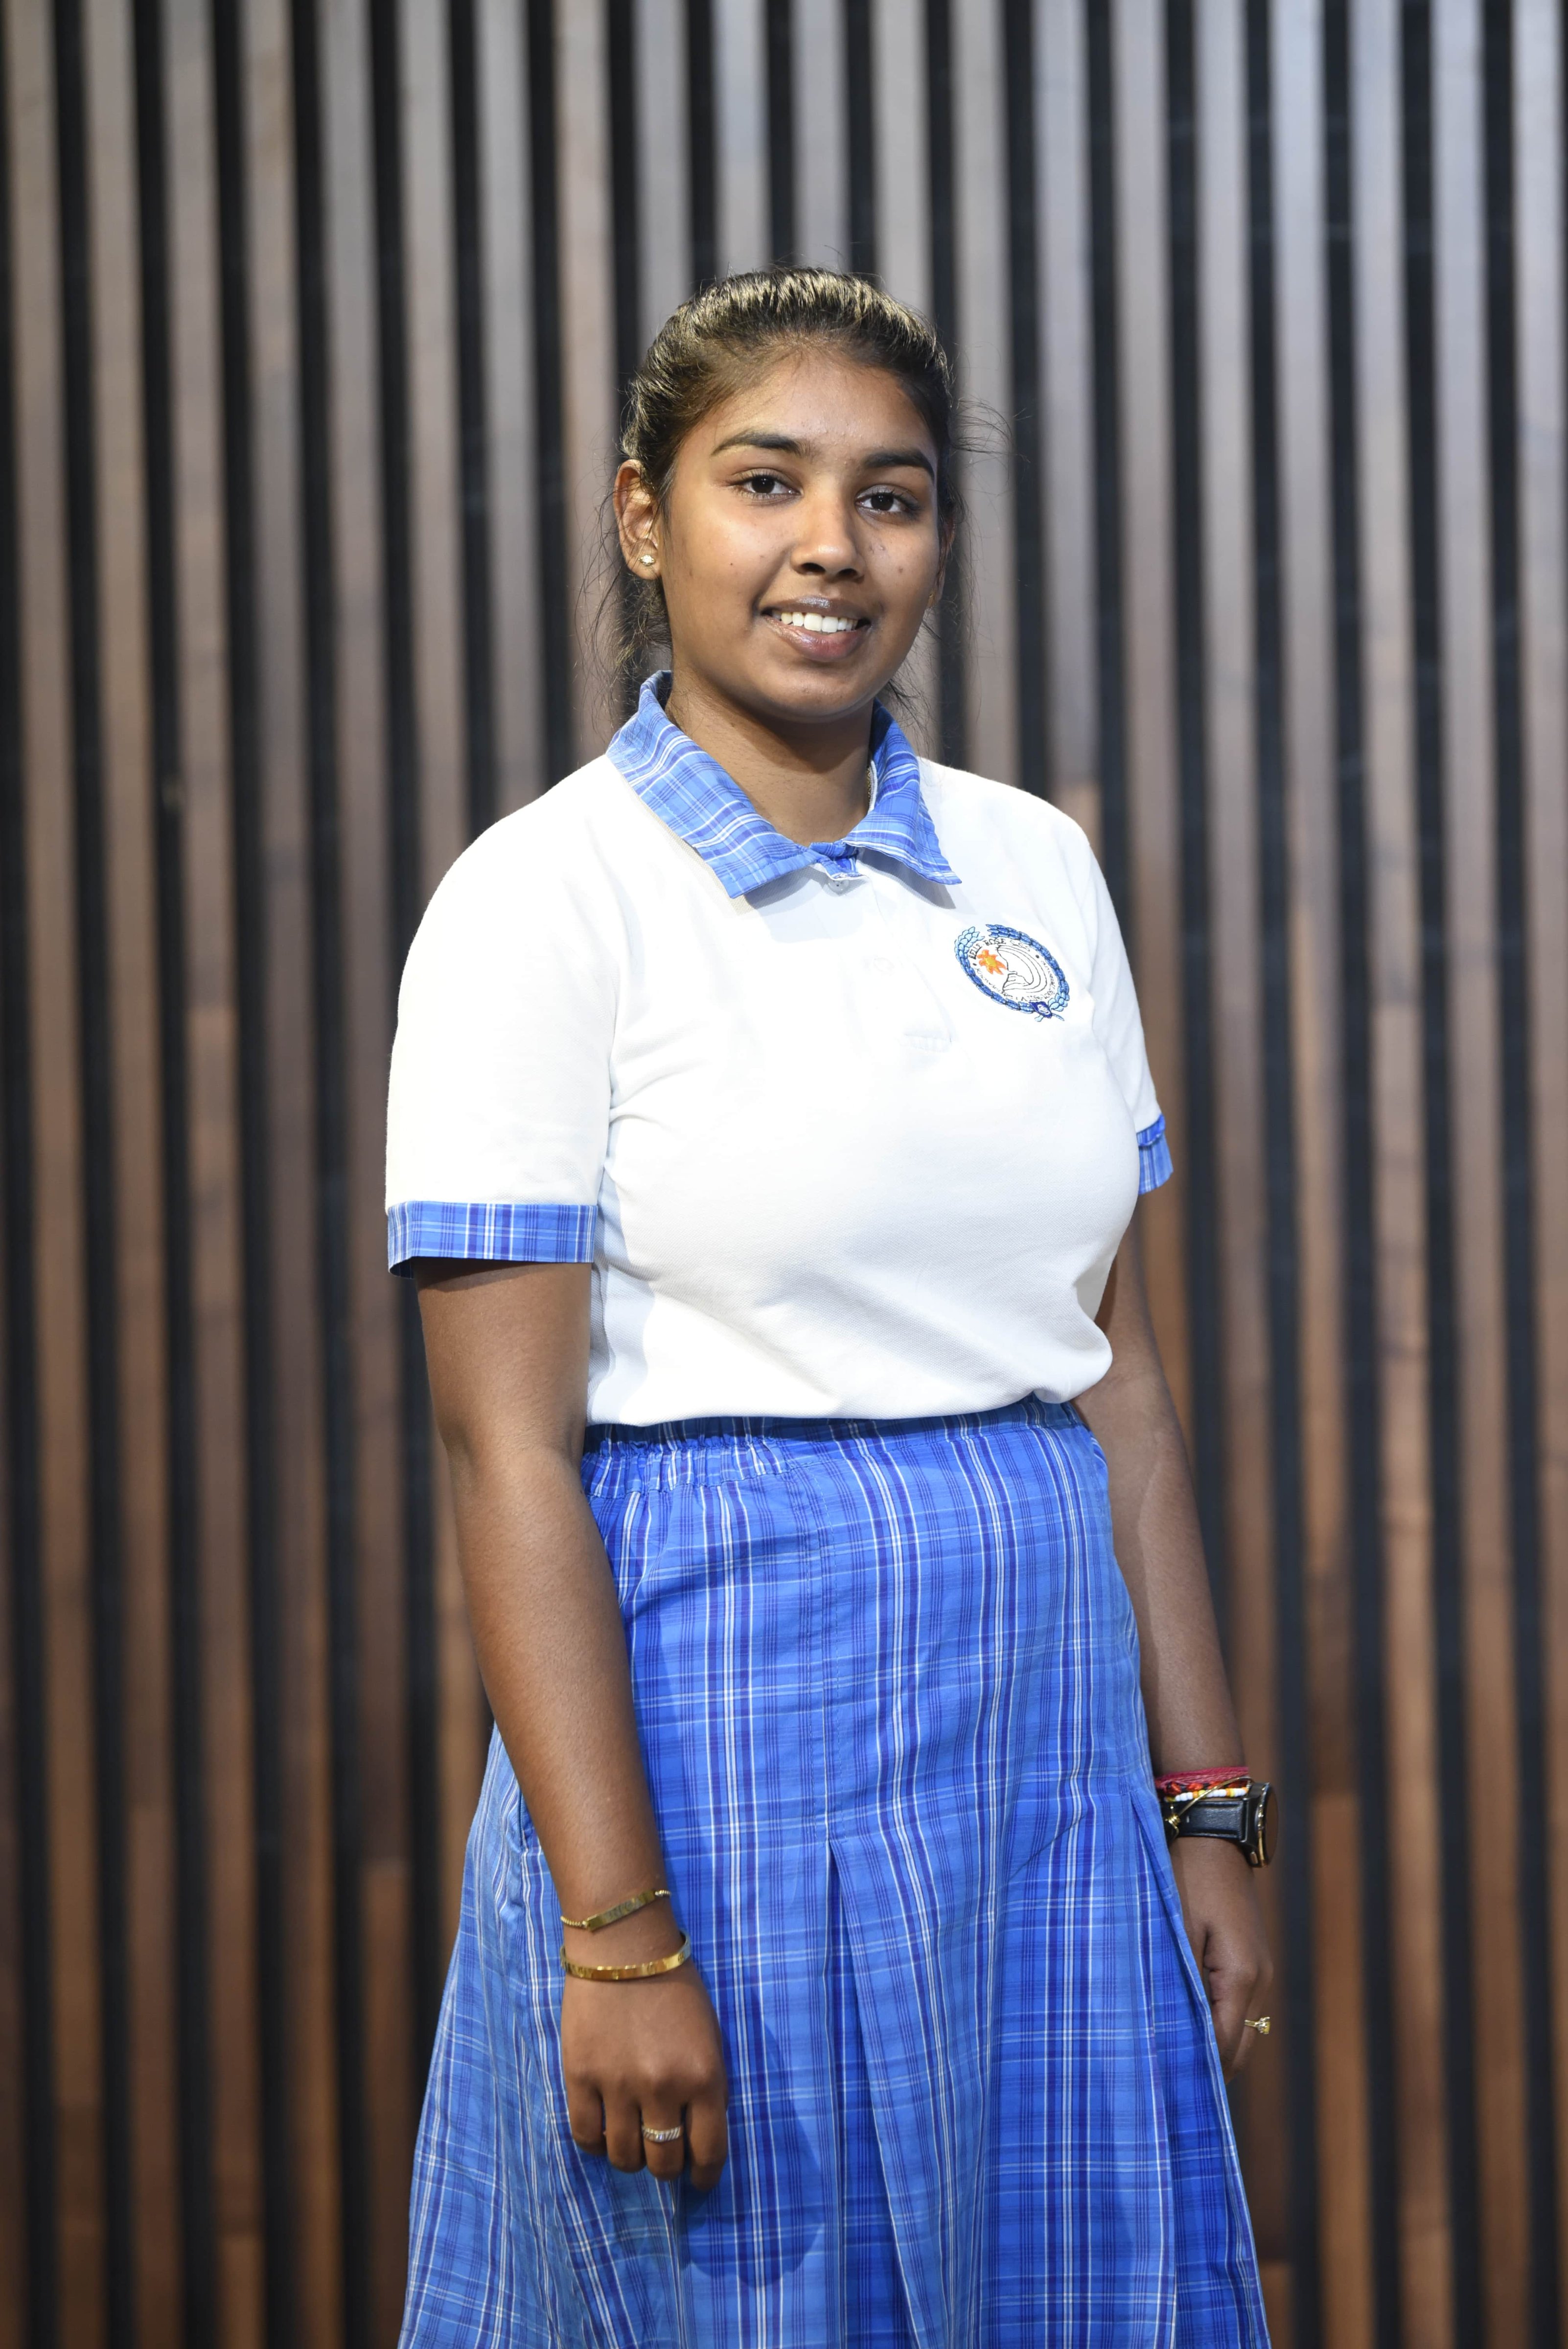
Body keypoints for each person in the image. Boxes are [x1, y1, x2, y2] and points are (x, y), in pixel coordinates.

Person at [389, 269, 1272, 2346]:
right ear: (645, 519)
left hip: (1047, 1745)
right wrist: (618, 1937)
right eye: (763, 482)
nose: (831, 548)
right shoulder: (545, 897)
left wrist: (1208, 1808)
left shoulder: (1036, 871)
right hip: (718, 1732)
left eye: (890, 497)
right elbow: (507, 1454)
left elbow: (1120, 1382)